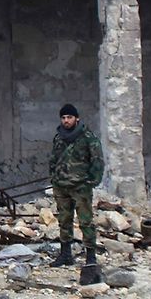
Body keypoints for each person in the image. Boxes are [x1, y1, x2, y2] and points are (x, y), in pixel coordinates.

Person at [48, 103, 105, 268]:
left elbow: (97, 161)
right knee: (64, 220)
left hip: (80, 187)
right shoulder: (59, 137)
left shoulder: (88, 138)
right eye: (63, 118)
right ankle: (65, 254)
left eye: (69, 117)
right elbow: (53, 159)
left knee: (85, 221)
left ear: (77, 118)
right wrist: (54, 177)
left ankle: (91, 257)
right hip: (61, 186)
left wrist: (91, 181)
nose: (66, 120)